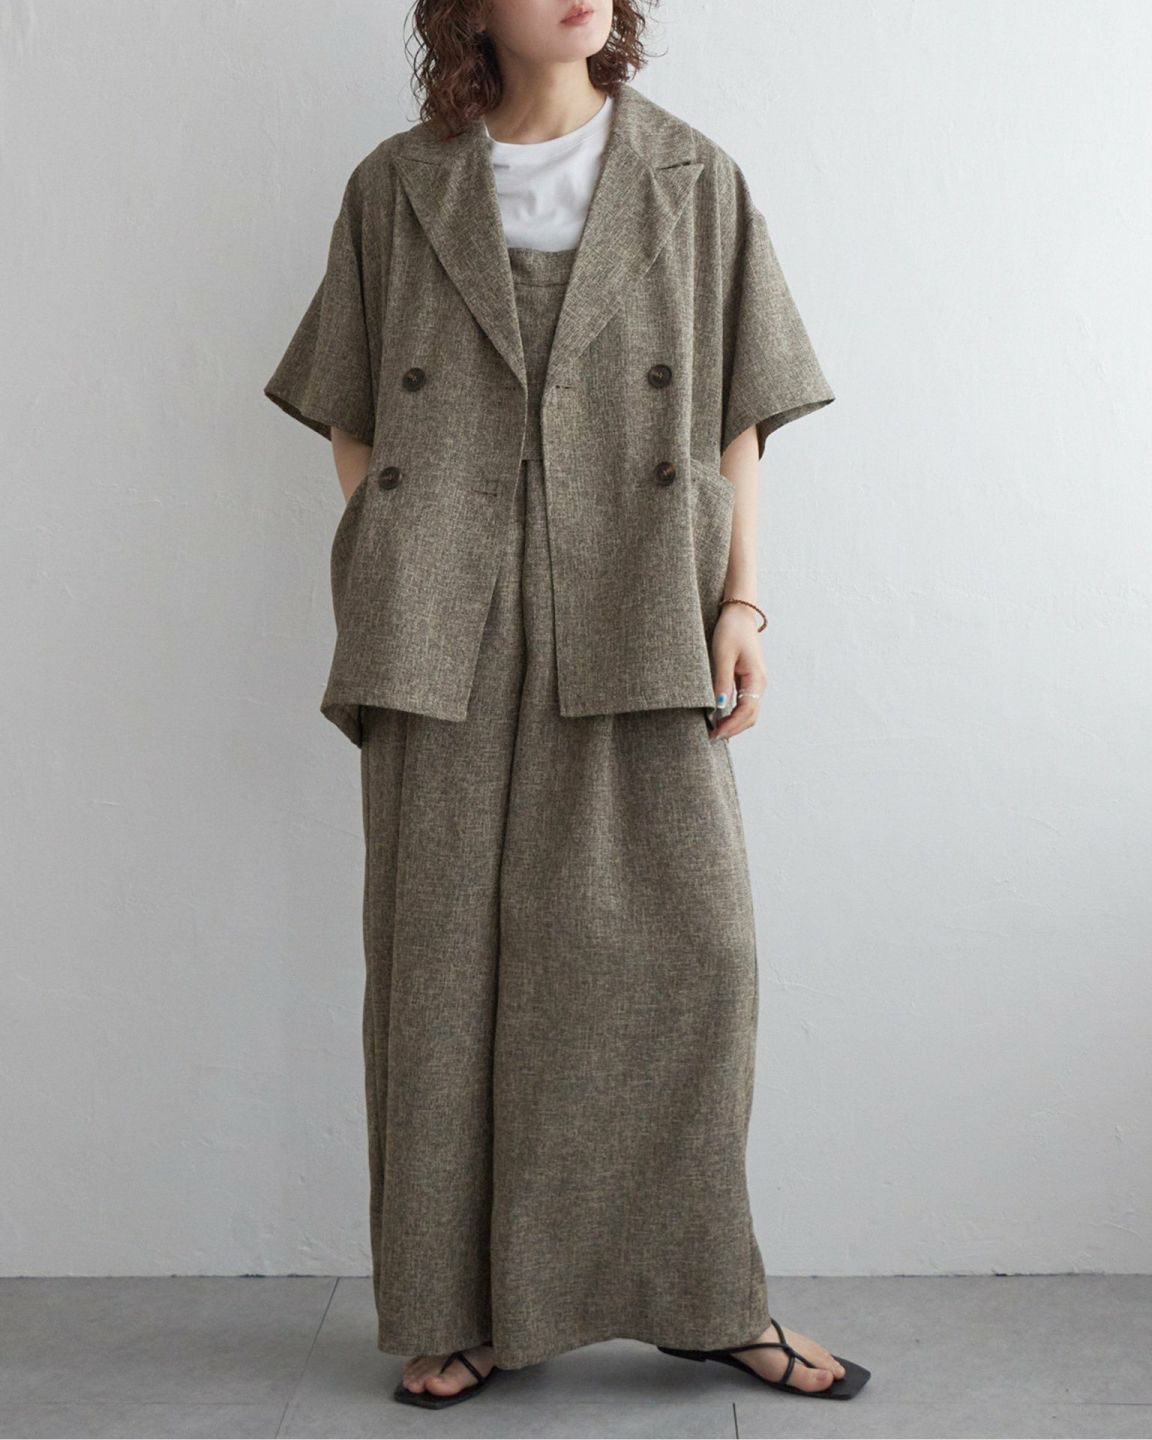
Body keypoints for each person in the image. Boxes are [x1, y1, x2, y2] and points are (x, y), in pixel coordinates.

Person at [263, 0, 869, 1411]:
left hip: (642, 592)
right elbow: (350, 404)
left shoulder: (692, 176)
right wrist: (405, 542)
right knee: (443, 972)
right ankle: (458, 1311)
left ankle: (708, 1300)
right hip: (441, 620)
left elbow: (736, 416)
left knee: (691, 958)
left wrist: (742, 605)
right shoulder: (398, 184)